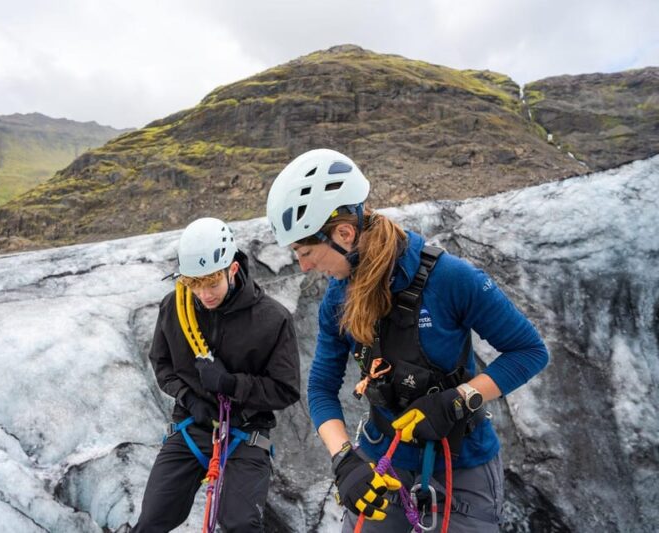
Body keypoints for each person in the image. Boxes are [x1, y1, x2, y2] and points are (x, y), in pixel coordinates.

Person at [265, 149, 549, 532]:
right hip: (384, 465)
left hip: (462, 469)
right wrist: (345, 460)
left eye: (306, 251)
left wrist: (459, 400)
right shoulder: (337, 300)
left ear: (344, 234)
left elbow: (529, 351)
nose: (304, 265)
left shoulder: (450, 278)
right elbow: (320, 387)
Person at [131, 217, 301, 533]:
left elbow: (285, 389)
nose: (204, 294)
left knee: (241, 525)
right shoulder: (174, 307)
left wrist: (230, 384)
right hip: (191, 426)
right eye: (194, 285)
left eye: (212, 284)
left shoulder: (272, 319)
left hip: (245, 432)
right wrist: (190, 399)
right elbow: (163, 365)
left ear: (232, 270)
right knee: (152, 521)